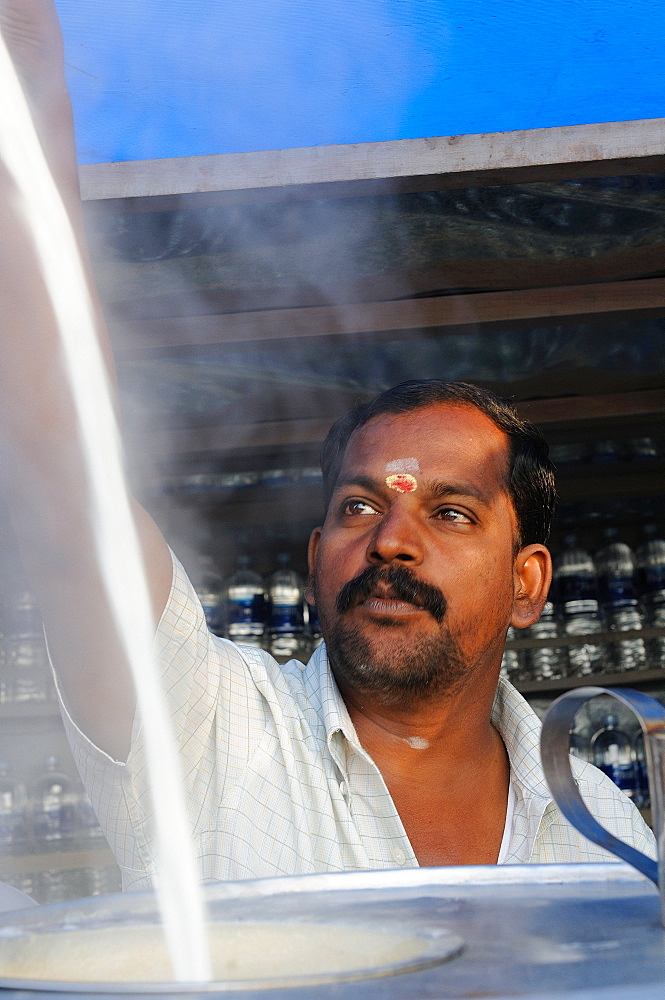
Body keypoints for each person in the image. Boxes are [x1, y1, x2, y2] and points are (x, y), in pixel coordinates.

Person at [0, 0, 655, 892]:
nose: (389, 539)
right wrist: (29, 85)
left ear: (527, 583)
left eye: (451, 511)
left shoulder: (600, 832)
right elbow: (66, 487)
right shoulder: (218, 733)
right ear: (315, 564)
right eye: (359, 506)